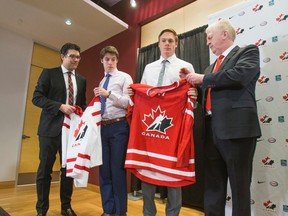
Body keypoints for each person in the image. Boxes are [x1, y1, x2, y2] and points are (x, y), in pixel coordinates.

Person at [185, 19, 261, 216]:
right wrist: (196, 93)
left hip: (237, 131)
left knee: (239, 186)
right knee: (213, 185)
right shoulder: (210, 68)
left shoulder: (248, 52)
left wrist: (202, 79)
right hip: (211, 131)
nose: (208, 43)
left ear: (224, 34)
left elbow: (239, 75)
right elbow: (210, 98)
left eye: (210, 37)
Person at [138, 28, 197, 216]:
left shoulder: (186, 66)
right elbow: (143, 95)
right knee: (147, 170)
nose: (167, 44)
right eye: (164, 40)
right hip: (151, 127)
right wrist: (134, 95)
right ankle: (148, 213)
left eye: (171, 40)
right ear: (158, 44)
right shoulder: (149, 68)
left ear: (176, 43)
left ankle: (173, 214)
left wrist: (193, 98)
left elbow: (191, 99)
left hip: (174, 129)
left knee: (174, 172)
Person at [32, 43, 87, 216]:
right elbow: (37, 98)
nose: (76, 59)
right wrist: (59, 106)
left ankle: (66, 207)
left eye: (78, 57)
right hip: (50, 130)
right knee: (44, 171)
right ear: (62, 56)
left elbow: (82, 104)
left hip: (71, 133)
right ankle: (42, 210)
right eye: (72, 56)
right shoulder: (49, 74)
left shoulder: (82, 80)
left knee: (68, 172)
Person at [93, 46, 133, 216]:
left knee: (117, 170)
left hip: (118, 127)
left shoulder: (124, 77)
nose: (110, 62)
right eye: (107, 59)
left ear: (117, 61)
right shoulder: (102, 81)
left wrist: (109, 94)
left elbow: (128, 103)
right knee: (104, 170)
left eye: (113, 59)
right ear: (102, 61)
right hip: (103, 127)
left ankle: (120, 211)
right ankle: (108, 209)